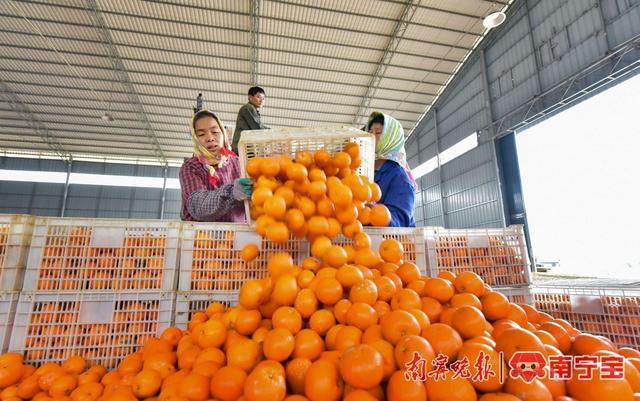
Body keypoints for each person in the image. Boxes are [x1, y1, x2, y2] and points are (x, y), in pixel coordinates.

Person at [179, 107, 252, 222]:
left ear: (223, 134)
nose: (210, 138)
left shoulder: (239, 164)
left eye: (215, 132)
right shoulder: (191, 167)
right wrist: (231, 192)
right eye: (202, 134)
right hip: (201, 237)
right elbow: (198, 206)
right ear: (195, 139)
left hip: (236, 236)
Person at [365, 111, 417, 227]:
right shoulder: (364, 171)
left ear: (390, 139)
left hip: (393, 243)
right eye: (370, 132)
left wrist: (372, 212)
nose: (371, 136)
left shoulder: (399, 177)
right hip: (365, 242)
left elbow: (400, 221)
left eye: (378, 133)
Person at [232, 86, 268, 154]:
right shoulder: (248, 108)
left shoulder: (253, 111)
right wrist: (273, 132)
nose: (261, 100)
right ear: (250, 97)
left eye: (263, 98)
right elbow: (258, 127)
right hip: (241, 148)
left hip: (245, 148)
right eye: (258, 97)